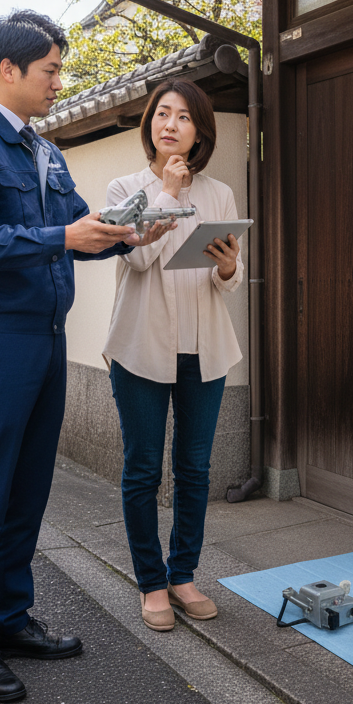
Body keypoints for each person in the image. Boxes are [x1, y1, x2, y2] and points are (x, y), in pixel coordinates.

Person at [0, 10, 168, 702]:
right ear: (9, 70)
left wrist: (131, 235)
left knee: (27, 487)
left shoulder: (44, 151)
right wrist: (63, 236)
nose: (60, 81)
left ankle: (7, 618)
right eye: (51, 69)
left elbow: (83, 228)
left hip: (45, 337)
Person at [103, 79, 243, 632]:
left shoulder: (220, 193)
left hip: (205, 349)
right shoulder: (125, 187)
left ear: (199, 131)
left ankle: (183, 574)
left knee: (194, 468)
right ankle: (151, 583)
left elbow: (224, 280)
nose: (170, 124)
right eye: (162, 114)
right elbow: (137, 262)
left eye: (183, 117)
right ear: (149, 125)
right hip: (140, 349)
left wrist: (229, 265)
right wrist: (165, 196)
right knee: (142, 470)